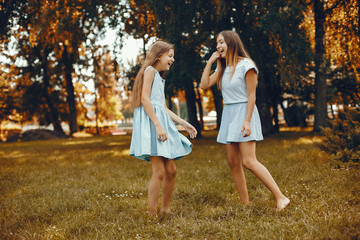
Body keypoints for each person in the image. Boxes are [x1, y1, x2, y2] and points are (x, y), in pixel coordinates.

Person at [200, 30, 290, 211]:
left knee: (248, 161)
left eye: (221, 42)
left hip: (244, 112)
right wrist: (210, 62)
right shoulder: (222, 68)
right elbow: (203, 85)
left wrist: (247, 121)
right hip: (229, 114)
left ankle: (281, 197)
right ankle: (245, 203)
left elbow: (251, 96)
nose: (218, 46)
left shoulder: (247, 65)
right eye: (217, 43)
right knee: (233, 162)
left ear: (232, 43)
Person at [130, 40, 197, 217]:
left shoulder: (159, 77)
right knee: (159, 171)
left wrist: (184, 123)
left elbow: (163, 108)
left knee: (171, 170)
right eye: (170, 56)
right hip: (154, 127)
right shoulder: (150, 71)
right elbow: (145, 100)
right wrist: (158, 126)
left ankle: (165, 210)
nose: (172, 60)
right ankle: (152, 214)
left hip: (161, 125)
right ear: (159, 56)